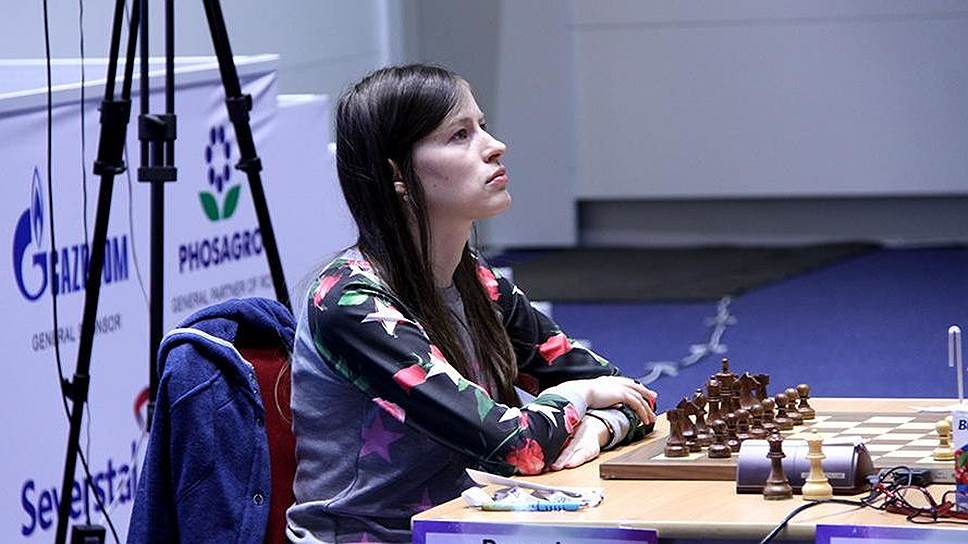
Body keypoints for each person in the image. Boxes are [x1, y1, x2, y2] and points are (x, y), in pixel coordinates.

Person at [287, 64, 658, 544]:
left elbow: (626, 390)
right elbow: (516, 446)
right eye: (459, 135)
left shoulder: (476, 279)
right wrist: (581, 398)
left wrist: (604, 423)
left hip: (473, 525)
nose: (494, 145)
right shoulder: (349, 302)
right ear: (397, 174)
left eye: (482, 126)